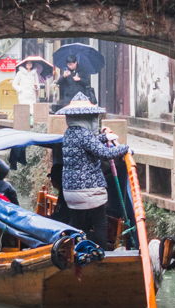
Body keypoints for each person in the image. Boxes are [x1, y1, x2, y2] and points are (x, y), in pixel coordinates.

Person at [51, 93, 128, 248]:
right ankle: (100, 256)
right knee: (100, 223)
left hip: (71, 191)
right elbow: (105, 154)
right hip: (89, 189)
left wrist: (104, 138)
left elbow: (89, 143)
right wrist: (125, 148)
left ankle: (73, 251)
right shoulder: (84, 134)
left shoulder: (69, 134)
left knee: (76, 224)